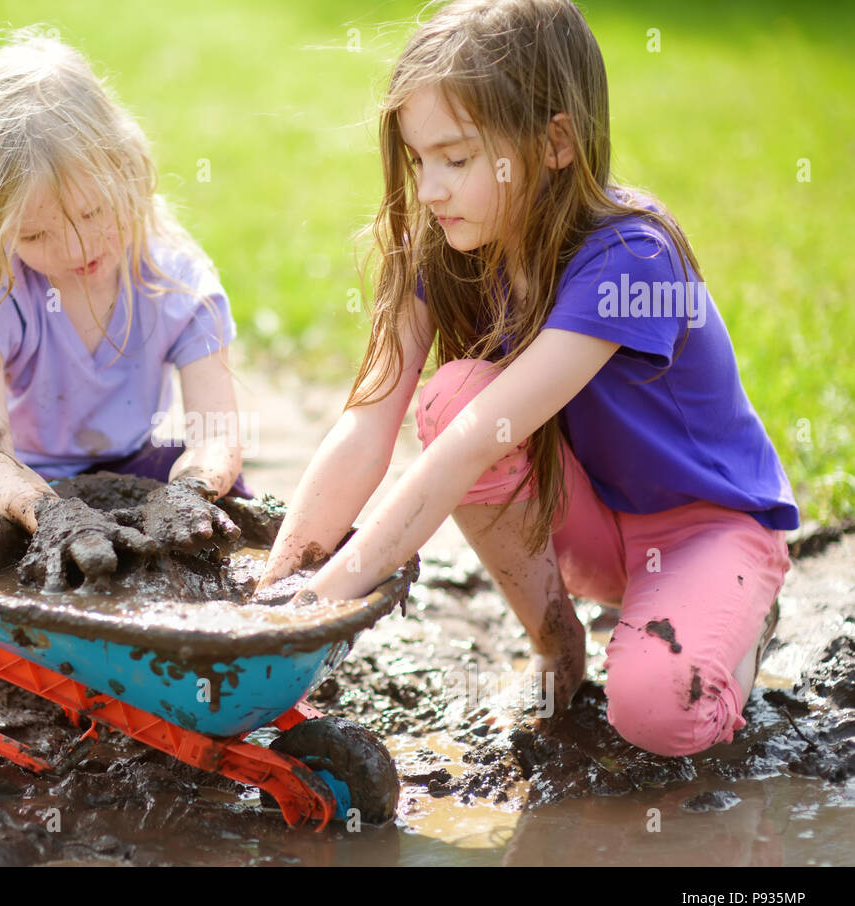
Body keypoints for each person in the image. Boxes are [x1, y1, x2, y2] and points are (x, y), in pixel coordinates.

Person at [257, 0, 798, 758]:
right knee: (452, 396)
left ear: (553, 143)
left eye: (457, 158)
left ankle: (736, 629)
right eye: (419, 162)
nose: (433, 189)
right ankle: (558, 645)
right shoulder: (443, 249)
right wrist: (275, 594)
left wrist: (323, 601)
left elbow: (471, 451)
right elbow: (366, 421)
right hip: (590, 525)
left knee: (656, 714)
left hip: (703, 530)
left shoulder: (630, 259)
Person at [0, 30, 246, 589]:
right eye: (35, 234)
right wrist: (53, 515)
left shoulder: (176, 282)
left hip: (117, 464)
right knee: (6, 558)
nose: (76, 249)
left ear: (127, 166)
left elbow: (217, 431)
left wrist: (189, 493)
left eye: (92, 212)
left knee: (220, 519)